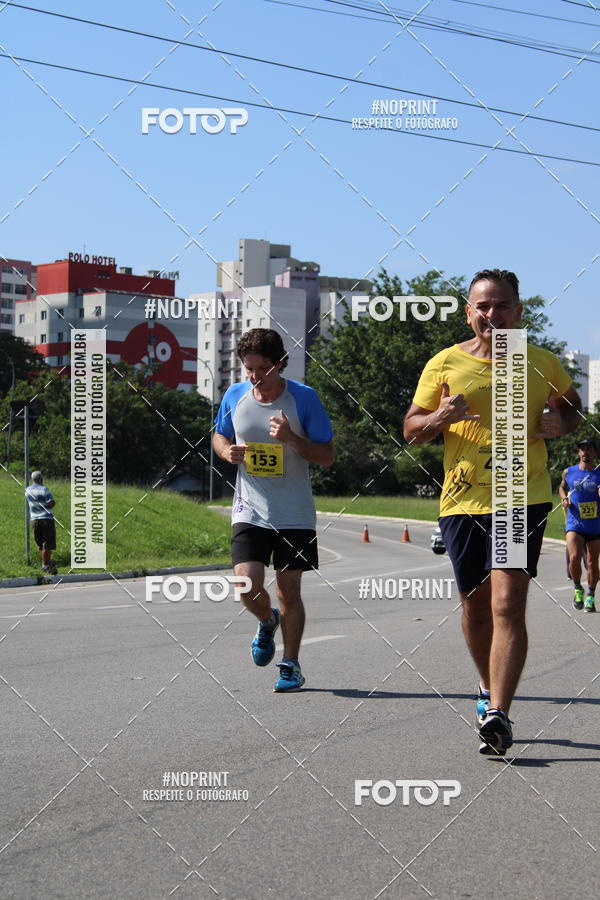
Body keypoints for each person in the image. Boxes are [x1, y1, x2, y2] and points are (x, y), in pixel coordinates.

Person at [403, 269, 581, 755]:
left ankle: (499, 713)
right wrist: (441, 417)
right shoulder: (443, 364)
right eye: (483, 306)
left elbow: (573, 407)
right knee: (475, 610)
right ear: (468, 312)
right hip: (462, 502)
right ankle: (486, 687)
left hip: (520, 498)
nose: (492, 314)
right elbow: (411, 430)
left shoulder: (540, 362)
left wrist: (559, 423)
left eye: (502, 306)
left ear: (518, 312)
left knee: (507, 605)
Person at [212, 328, 334, 692]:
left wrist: (292, 439)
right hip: (250, 509)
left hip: (294, 512)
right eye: (248, 369)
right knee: (246, 584)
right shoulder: (235, 395)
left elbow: (327, 456)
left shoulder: (304, 399)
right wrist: (225, 451)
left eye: (262, 369)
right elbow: (219, 434)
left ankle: (291, 664)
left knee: (288, 590)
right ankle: (267, 622)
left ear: (280, 364)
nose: (254, 377)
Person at [559, 438, 600, 613]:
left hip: (595, 525)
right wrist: (564, 498)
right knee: (574, 557)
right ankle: (577, 588)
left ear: (595, 453)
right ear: (578, 453)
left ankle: (590, 595)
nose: (585, 452)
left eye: (589, 449)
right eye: (582, 449)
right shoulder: (569, 472)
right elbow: (561, 488)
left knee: (592, 563)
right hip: (575, 523)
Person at [25, 470, 58, 574]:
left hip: (34, 520)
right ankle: (46, 565)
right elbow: (51, 503)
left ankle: (46, 563)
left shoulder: (27, 490)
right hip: (46, 519)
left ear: (32, 479)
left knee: (40, 544)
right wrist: (48, 505)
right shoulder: (45, 489)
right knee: (47, 544)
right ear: (41, 479)